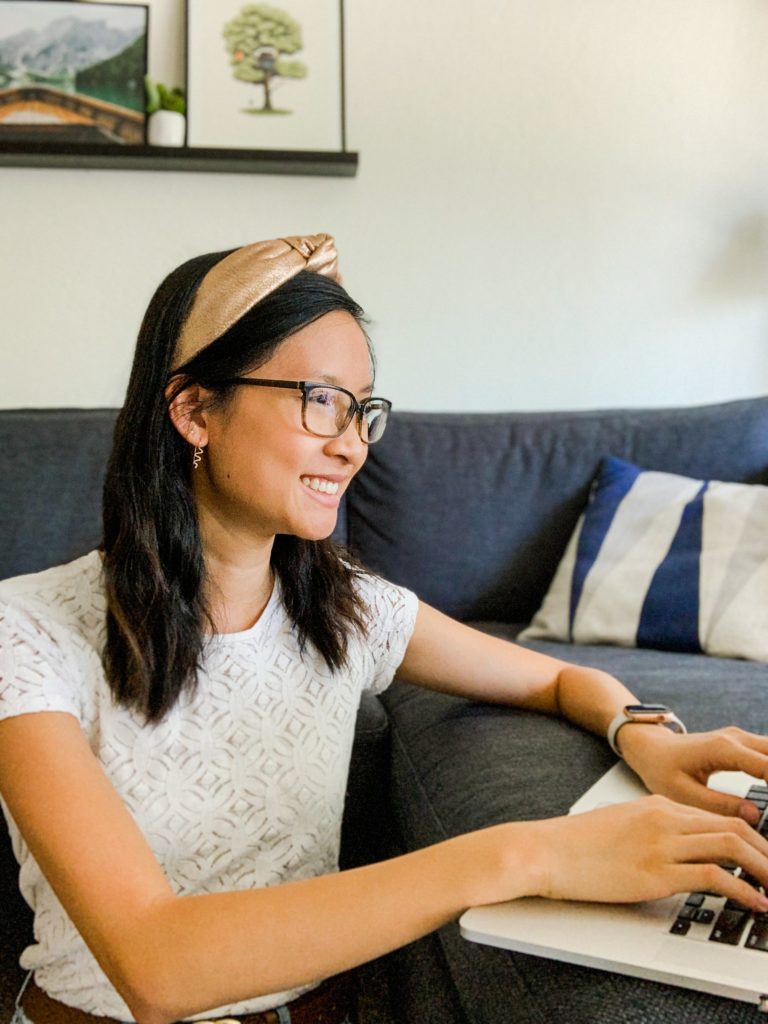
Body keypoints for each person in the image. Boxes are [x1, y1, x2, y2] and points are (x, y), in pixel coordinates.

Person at [1, 234, 768, 1024]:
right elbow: (157, 966)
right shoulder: (25, 632)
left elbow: (552, 676)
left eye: (363, 408)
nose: (352, 442)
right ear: (195, 410)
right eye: (320, 399)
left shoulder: (350, 611)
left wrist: (642, 732)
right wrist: (534, 852)